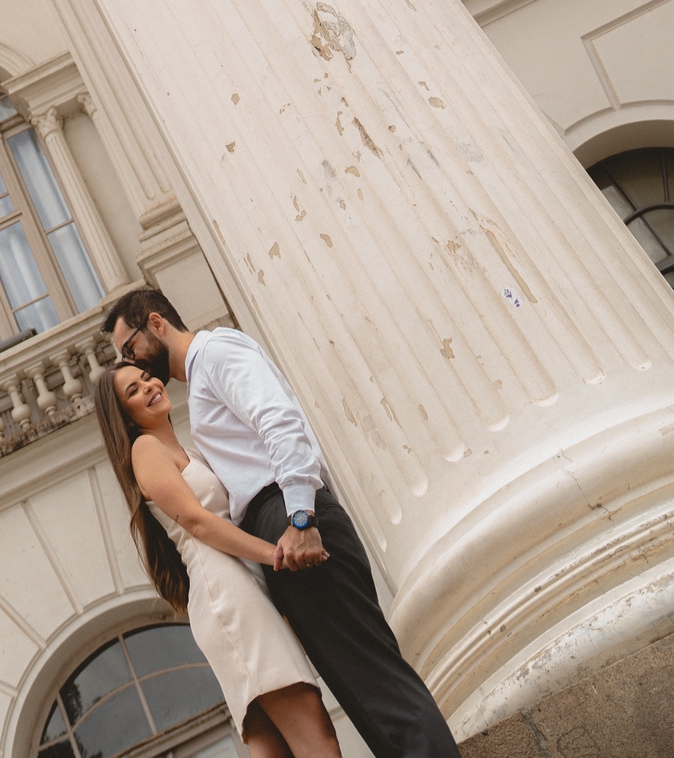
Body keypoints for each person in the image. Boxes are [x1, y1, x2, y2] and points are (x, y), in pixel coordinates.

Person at [102, 288, 463, 758]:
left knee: (377, 686)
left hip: (289, 519)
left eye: (130, 349)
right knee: (362, 694)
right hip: (275, 536)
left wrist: (300, 516)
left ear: (155, 324)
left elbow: (279, 421)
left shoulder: (216, 353)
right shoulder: (193, 399)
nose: (134, 364)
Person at [95, 359, 343, 758]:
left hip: (239, 588)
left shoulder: (186, 449)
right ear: (125, 418)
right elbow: (198, 522)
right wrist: (276, 554)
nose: (149, 386)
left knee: (276, 748)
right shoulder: (146, 449)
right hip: (227, 593)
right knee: (318, 739)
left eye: (146, 378)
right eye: (133, 391)